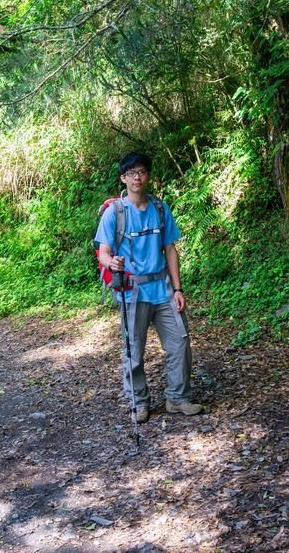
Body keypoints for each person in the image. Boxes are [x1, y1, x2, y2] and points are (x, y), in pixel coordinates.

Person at [95, 152, 202, 423]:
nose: (137, 177)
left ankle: (177, 398)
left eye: (141, 172)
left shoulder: (160, 209)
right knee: (134, 350)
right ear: (123, 178)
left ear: (148, 175)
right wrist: (113, 263)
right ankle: (138, 402)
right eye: (131, 173)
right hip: (132, 291)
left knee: (180, 342)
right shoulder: (114, 214)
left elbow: (170, 250)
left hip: (163, 289)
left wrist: (178, 289)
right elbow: (103, 252)